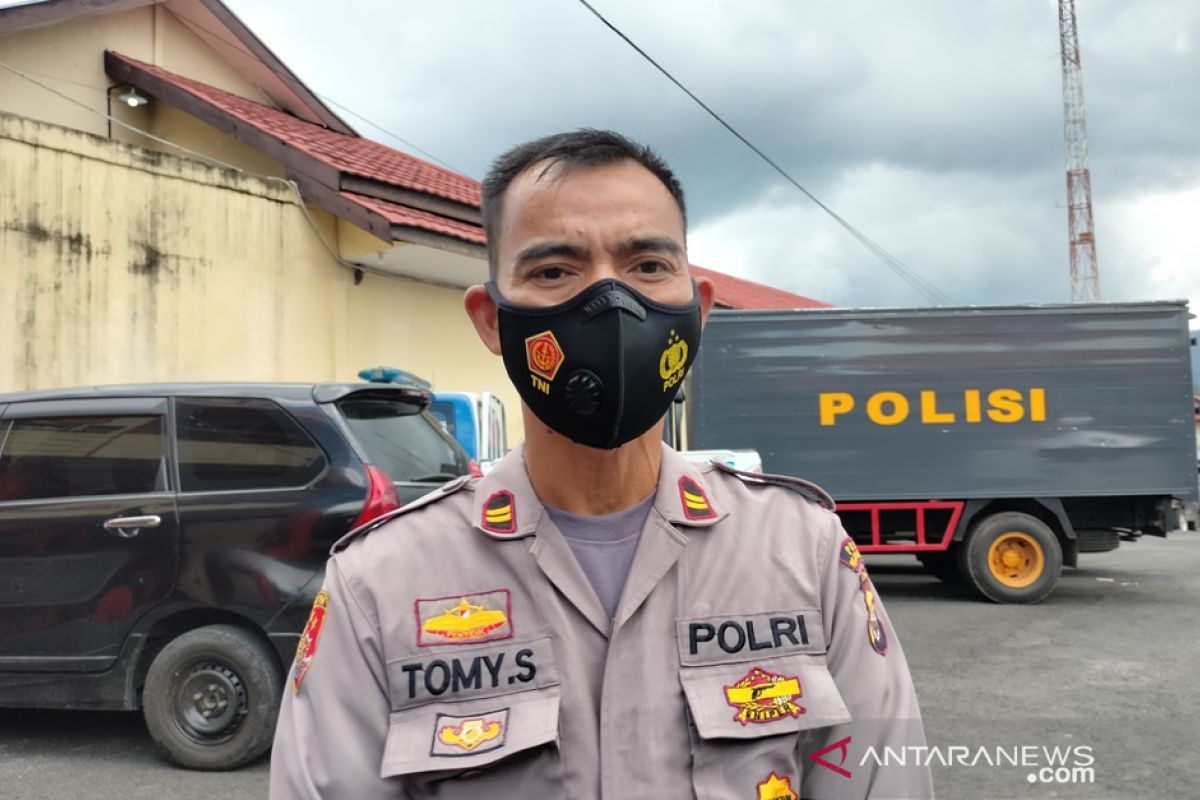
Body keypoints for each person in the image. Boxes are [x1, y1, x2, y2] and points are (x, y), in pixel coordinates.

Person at [269, 130, 933, 799]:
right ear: (492, 321)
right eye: (555, 271)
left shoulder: (805, 551)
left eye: (648, 266)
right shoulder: (377, 585)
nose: (611, 303)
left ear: (695, 312)